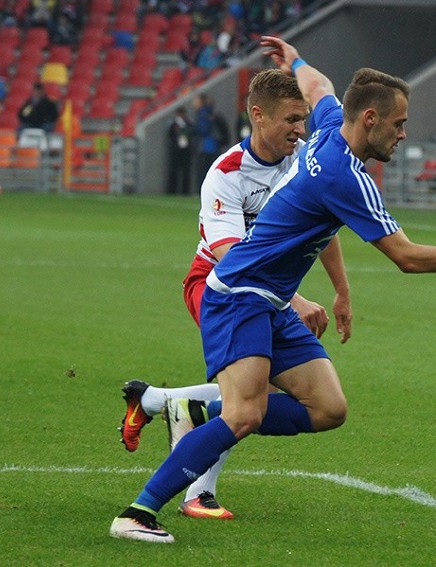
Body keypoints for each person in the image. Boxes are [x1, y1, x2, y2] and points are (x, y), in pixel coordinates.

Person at [109, 36, 436, 543]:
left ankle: (198, 409)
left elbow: (317, 83)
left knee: (328, 409)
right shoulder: (346, 176)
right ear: (370, 120)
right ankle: (138, 512)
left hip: (269, 298)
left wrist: (292, 58)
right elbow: (407, 257)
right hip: (240, 293)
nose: (404, 134)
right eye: (399, 124)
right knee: (246, 412)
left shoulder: (325, 126)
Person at [118, 68, 353, 520]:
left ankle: (160, 403)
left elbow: (322, 226)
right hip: (215, 283)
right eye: (290, 119)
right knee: (246, 391)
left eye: (303, 119)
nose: (299, 129)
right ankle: (194, 492)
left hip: (270, 290)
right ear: (258, 117)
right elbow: (229, 254)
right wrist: (295, 299)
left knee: (272, 395)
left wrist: (341, 291)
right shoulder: (225, 173)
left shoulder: (305, 159)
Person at [166, 107, 195, 195]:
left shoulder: (189, 124)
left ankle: (185, 192)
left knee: (186, 172)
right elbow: (170, 136)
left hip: (186, 151)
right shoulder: (173, 124)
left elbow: (192, 134)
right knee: (173, 171)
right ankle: (172, 191)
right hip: (175, 151)